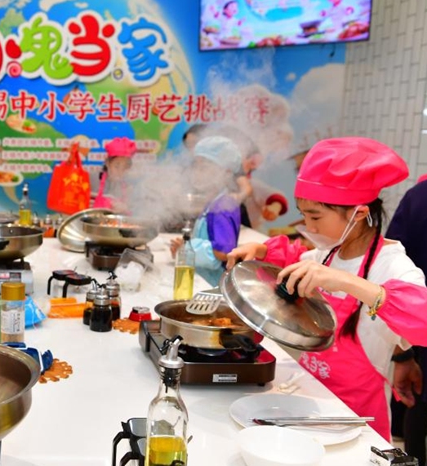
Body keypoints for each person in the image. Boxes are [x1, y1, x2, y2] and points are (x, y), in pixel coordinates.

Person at [226, 137, 427, 440]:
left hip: (358, 425)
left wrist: (346, 282)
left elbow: (422, 320)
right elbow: (296, 256)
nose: (309, 226)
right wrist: (261, 250)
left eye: (316, 216)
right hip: (306, 404)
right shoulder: (326, 253)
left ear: (358, 214)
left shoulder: (393, 266)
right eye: (304, 214)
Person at [386, 176, 427, 463]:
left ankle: (411, 453)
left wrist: (402, 352)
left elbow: (393, 253)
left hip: (418, 314)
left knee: (419, 395)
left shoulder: (418, 195)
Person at [170, 136, 243, 286]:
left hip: (213, 286)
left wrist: (188, 249)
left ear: (226, 172)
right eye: (195, 166)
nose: (197, 172)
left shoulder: (224, 205)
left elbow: (223, 253)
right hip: (203, 281)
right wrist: (185, 249)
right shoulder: (213, 201)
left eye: (204, 167)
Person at [93, 137, 136, 213]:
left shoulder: (129, 186)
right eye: (117, 166)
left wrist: (126, 209)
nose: (120, 172)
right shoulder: (94, 179)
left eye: (124, 167)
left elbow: (135, 211)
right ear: (108, 163)